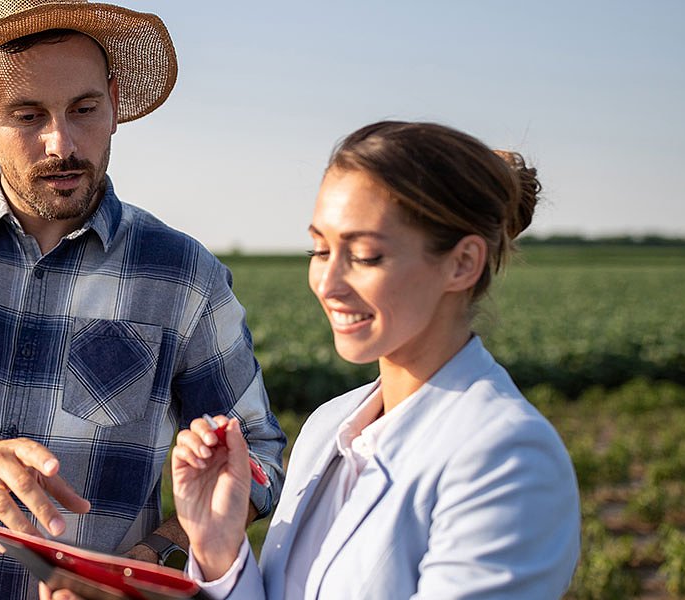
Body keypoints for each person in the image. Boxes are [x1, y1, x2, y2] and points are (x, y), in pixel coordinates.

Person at [0, 1, 287, 599]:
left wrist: (149, 561)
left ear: (113, 102)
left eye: (84, 109)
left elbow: (258, 453)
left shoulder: (185, 276)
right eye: (28, 115)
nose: (61, 143)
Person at [168, 121, 582, 600]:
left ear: (463, 263)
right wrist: (219, 551)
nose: (327, 283)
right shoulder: (330, 426)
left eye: (364, 256)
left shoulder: (507, 461)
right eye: (320, 249)